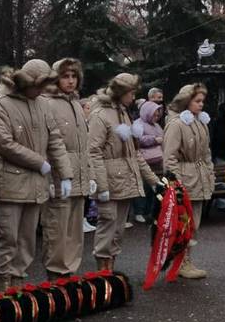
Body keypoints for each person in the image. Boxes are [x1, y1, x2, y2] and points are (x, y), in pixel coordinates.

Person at [0, 60, 72, 288]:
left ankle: (18, 281)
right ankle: (4, 285)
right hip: (10, 182)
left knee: (27, 239)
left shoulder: (43, 104)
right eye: (40, 85)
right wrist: (39, 162)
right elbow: (3, 143)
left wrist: (65, 173)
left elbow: (55, 140)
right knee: (9, 237)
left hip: (36, 184)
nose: (43, 90)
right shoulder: (1, 103)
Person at [87, 73, 159, 271]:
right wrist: (102, 187)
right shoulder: (101, 115)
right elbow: (93, 152)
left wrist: (154, 181)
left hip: (123, 180)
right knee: (107, 226)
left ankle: (110, 269)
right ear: (120, 92)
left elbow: (134, 153)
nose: (134, 97)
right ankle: (103, 273)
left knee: (118, 230)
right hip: (109, 182)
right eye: (131, 93)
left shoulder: (123, 113)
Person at [39, 59, 95, 279]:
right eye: (65, 76)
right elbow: (48, 145)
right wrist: (51, 179)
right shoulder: (48, 104)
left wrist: (90, 174)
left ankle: (69, 273)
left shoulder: (76, 104)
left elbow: (84, 145)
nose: (71, 81)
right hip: (59, 178)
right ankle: (56, 277)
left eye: (74, 76)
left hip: (78, 178)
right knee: (57, 231)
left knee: (74, 233)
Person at [163, 84, 214, 279]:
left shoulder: (200, 122)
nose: (201, 105)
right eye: (197, 101)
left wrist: (209, 174)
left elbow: (206, 154)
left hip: (198, 178)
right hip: (185, 179)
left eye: (202, 101)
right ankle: (180, 262)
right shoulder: (176, 124)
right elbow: (170, 157)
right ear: (186, 101)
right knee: (183, 224)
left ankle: (185, 260)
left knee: (193, 224)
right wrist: (175, 183)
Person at [132, 101, 164, 221]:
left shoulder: (156, 125)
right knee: (143, 187)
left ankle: (149, 211)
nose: (156, 117)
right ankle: (139, 212)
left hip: (157, 161)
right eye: (154, 114)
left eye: (157, 115)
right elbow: (137, 140)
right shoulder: (138, 124)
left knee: (153, 187)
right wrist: (154, 140)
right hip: (143, 160)